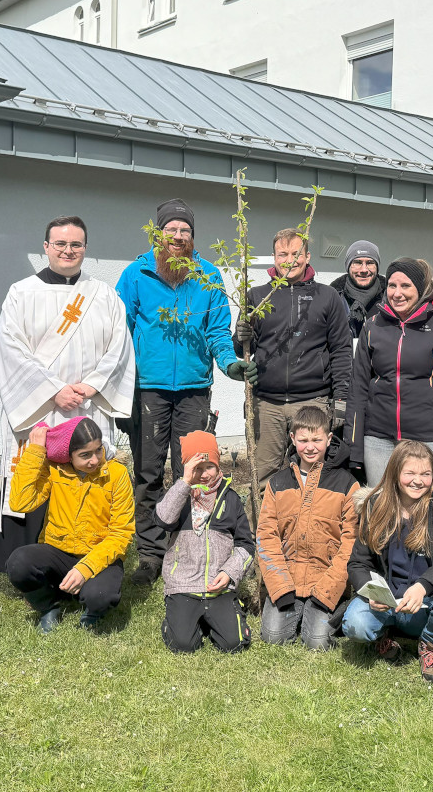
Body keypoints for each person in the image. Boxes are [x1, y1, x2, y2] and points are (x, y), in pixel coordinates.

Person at [116, 199, 256, 586]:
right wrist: (115, 388)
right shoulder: (136, 275)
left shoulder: (208, 276)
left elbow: (216, 334)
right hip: (148, 390)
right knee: (147, 473)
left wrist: (230, 364)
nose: (178, 236)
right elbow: (119, 334)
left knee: (191, 473)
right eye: (171, 229)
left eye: (185, 230)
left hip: (195, 391)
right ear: (158, 233)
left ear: (193, 237)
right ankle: (149, 554)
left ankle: (185, 549)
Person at [0, 215, 135, 573]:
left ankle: (86, 555)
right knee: (35, 476)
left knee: (86, 477)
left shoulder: (103, 294)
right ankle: (30, 564)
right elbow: (10, 349)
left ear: (85, 248)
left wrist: (92, 385)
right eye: (60, 244)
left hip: (87, 407)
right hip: (41, 409)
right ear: (46, 248)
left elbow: (120, 346)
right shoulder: (21, 292)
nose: (68, 250)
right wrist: (54, 390)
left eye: (76, 244)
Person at [342, 441, 433, 683]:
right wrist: (372, 592)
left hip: (427, 605)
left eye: (425, 474)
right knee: (354, 624)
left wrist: (423, 586)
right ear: (395, 473)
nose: (417, 480)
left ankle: (431, 646)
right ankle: (384, 635)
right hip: (387, 604)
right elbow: (358, 563)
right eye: (409, 473)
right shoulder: (374, 506)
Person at [234, 228, 352, 491]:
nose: (290, 260)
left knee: (313, 477)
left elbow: (342, 351)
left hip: (313, 401)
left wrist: (342, 400)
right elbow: (243, 349)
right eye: (282, 254)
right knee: (263, 478)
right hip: (267, 404)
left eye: (296, 253)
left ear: (307, 256)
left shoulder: (327, 296)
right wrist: (240, 334)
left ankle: (309, 531)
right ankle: (264, 533)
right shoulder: (257, 296)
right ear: (274, 258)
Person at [346, 257, 433, 482]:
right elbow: (358, 388)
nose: (397, 293)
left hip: (428, 439)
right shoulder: (373, 325)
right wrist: (354, 445)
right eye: (392, 286)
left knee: (425, 512)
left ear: (421, 289)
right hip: (378, 439)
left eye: (406, 286)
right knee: (382, 511)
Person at [4, 417, 134, 631]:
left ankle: (92, 612)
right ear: (68, 456)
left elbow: (121, 534)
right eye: (85, 455)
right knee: (18, 563)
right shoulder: (55, 469)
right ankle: (47, 607)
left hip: (99, 555)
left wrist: (85, 568)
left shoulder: (117, 474)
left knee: (100, 595)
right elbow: (20, 502)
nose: (94, 460)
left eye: (98, 450)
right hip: (58, 550)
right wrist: (35, 452)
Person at [256, 406, 359, 650]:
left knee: (317, 642)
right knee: (272, 637)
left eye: (317, 440)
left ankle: (340, 606)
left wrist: (328, 590)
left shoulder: (346, 484)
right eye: (303, 440)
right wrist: (280, 588)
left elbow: (350, 543)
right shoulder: (278, 483)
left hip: (326, 581)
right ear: (292, 439)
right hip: (288, 578)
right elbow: (266, 537)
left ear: (329, 439)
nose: (310, 447)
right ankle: (298, 610)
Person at [156, 431, 254, 654]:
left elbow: (246, 545)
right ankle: (177, 620)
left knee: (235, 643)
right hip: (184, 586)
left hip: (218, 587)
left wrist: (230, 572)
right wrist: (184, 484)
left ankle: (218, 618)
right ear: (186, 468)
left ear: (218, 466)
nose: (203, 474)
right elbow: (162, 519)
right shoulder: (178, 494)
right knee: (183, 645)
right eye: (196, 468)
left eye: (209, 466)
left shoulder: (230, 499)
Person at [329, 240, 386, 339]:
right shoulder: (333, 298)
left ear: (377, 267)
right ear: (348, 266)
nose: (364, 270)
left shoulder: (390, 298)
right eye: (357, 262)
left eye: (370, 263)